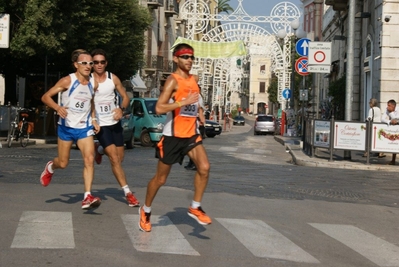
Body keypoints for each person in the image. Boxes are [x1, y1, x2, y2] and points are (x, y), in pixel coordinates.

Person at [139, 43, 212, 232]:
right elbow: (159, 108)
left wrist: (200, 113)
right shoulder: (173, 80)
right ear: (175, 59)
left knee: (204, 167)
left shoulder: (194, 79)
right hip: (172, 136)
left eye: (191, 57)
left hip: (191, 134)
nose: (189, 60)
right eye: (185, 57)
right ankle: (146, 210)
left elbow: (195, 104)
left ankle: (195, 206)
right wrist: (182, 102)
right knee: (160, 179)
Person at [40, 49, 101, 210]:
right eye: (84, 63)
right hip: (66, 127)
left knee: (89, 159)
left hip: (84, 128)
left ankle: (87, 196)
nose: (88, 66)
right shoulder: (67, 81)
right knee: (63, 162)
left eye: (90, 63)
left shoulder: (93, 83)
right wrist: (57, 107)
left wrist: (94, 119)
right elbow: (45, 97)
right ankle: (51, 167)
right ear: (76, 65)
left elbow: (91, 102)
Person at [91, 49, 140, 207]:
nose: (99, 65)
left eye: (102, 62)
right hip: (100, 124)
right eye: (96, 62)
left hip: (115, 122)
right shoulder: (88, 80)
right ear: (92, 64)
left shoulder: (113, 78)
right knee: (113, 158)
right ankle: (128, 193)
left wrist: (121, 109)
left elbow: (125, 97)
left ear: (106, 63)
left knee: (120, 158)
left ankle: (98, 149)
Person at [381, 99, 399, 165]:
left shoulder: (398, 109)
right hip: (394, 129)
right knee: (394, 143)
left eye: (389, 105)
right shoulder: (387, 109)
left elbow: (396, 118)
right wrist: (389, 121)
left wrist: (391, 113)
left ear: (393, 106)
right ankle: (393, 160)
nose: (387, 107)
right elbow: (382, 119)